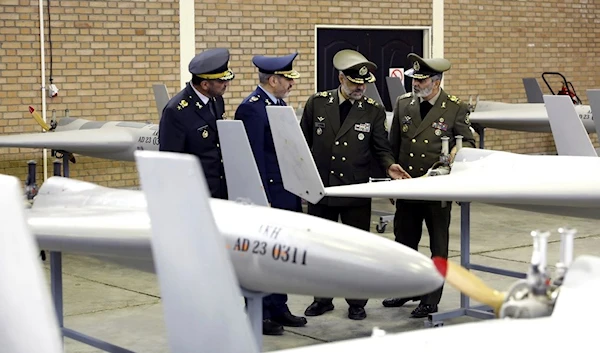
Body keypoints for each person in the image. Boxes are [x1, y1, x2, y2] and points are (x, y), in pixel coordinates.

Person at [299, 49, 409, 320]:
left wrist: (389, 165)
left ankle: (356, 302)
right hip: (322, 189)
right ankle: (322, 298)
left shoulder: (372, 110)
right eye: (354, 83)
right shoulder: (317, 103)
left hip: (355, 190)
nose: (360, 88)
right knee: (320, 248)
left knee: (356, 250)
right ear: (341, 78)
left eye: (364, 83)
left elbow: (380, 147)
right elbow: (303, 143)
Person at [384, 53, 476, 318]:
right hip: (408, 186)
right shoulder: (403, 104)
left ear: (436, 82)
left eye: (421, 80)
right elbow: (394, 145)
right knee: (404, 242)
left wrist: (459, 154)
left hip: (437, 190)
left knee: (438, 244)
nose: (415, 84)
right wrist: (393, 180)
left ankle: (430, 298)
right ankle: (406, 289)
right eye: (414, 79)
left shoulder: (455, 107)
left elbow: (467, 142)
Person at [234, 52, 307, 335]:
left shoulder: (278, 104)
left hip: (286, 192)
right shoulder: (251, 108)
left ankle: (279, 307)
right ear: (274, 79)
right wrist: (260, 195)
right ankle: (260, 311)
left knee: (282, 254)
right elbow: (254, 156)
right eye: (287, 79)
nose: (291, 84)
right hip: (269, 194)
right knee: (263, 256)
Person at [158, 48, 234, 200]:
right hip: (195, 192)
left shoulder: (216, 100)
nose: (226, 84)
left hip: (219, 188)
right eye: (221, 81)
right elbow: (170, 161)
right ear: (205, 84)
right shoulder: (177, 110)